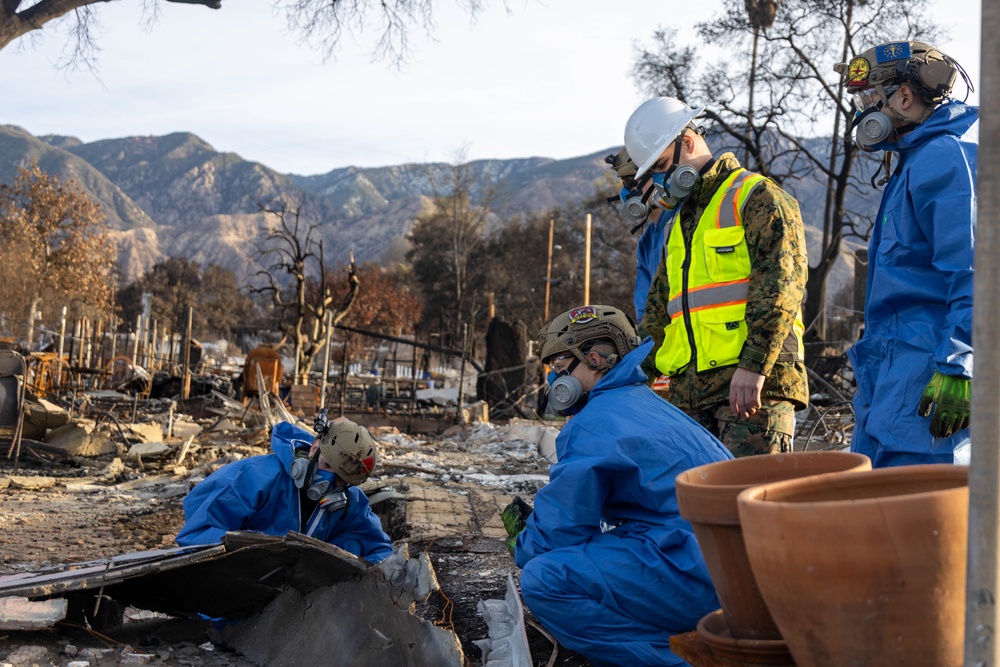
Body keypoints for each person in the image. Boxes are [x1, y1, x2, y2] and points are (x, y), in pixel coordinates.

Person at [503, 304, 733, 667]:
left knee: (545, 579)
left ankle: (684, 659)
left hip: (699, 578)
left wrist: (522, 543)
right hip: (733, 571)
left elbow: (559, 529)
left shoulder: (596, 421)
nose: (555, 381)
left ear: (594, 358)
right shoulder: (646, 404)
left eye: (561, 368)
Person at [627, 97, 809, 457]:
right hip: (689, 395)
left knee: (750, 506)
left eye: (662, 165)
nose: (661, 180)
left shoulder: (758, 197)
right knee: (696, 512)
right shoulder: (680, 223)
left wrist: (754, 365)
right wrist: (637, 383)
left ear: (689, 142)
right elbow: (659, 316)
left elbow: (781, 288)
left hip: (752, 390)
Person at [834, 41, 977, 467]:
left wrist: (960, 364)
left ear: (904, 96)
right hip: (894, 383)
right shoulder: (913, 164)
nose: (862, 112)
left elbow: (976, 275)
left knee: (920, 520)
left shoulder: (944, 160)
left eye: (867, 98)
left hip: (931, 384)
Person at [176, 410, 393, 563]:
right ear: (315, 447)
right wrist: (253, 551)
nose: (328, 482)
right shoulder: (256, 478)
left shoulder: (351, 501)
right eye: (327, 465)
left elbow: (380, 549)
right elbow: (195, 535)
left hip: (298, 603)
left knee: (353, 545)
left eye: (341, 480)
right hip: (238, 591)